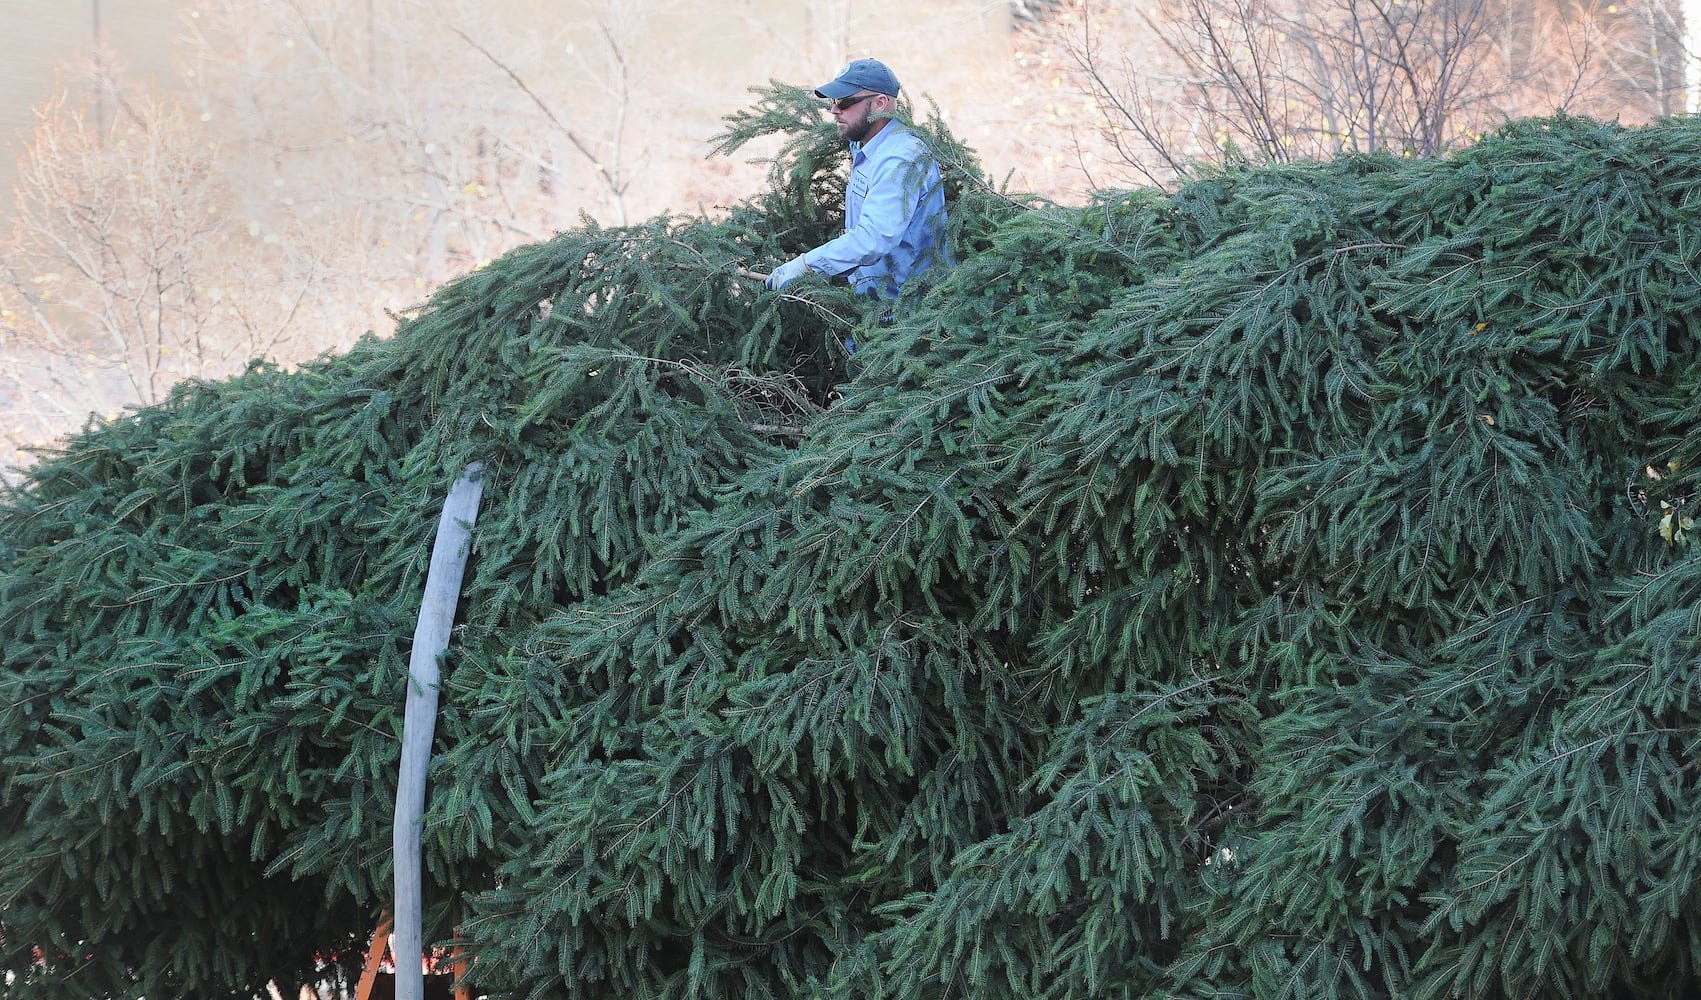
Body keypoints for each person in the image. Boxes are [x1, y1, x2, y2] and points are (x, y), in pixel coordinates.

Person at [765, 58, 950, 300]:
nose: (834, 110)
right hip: (873, 301)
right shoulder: (867, 143)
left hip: (906, 313)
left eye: (845, 101)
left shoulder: (899, 160)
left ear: (880, 103)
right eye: (834, 100)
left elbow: (873, 238)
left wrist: (805, 265)